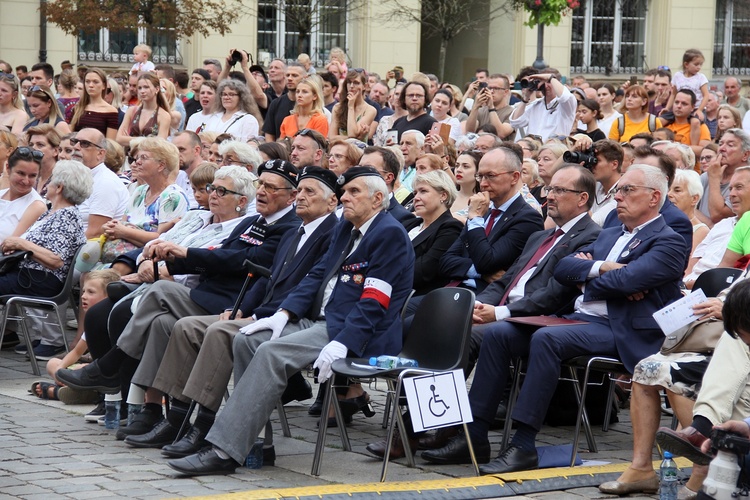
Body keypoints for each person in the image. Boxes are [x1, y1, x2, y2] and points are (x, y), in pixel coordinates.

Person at [426, 164, 687, 473]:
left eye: (627, 190)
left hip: (621, 330)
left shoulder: (669, 241)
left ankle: (523, 444)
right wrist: (602, 269)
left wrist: (590, 274)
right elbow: (564, 269)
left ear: (654, 197)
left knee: (546, 338)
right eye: (618, 190)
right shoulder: (612, 232)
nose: (618, 197)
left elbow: (627, 282)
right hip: (578, 318)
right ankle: (475, 435)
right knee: (500, 333)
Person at [165, 166, 414, 475]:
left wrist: (342, 343)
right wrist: (282, 314)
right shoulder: (346, 228)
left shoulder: (389, 233)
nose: (344, 198)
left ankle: (224, 451)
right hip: (319, 320)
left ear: (378, 199)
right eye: (344, 192)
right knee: (246, 339)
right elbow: (316, 276)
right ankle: (258, 443)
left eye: (353, 193)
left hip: (353, 332)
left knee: (270, 352)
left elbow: (375, 303)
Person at [55, 160, 303, 418]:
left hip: (228, 301)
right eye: (260, 184)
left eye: (270, 187)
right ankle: (150, 412)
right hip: (204, 291)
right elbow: (211, 254)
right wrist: (135, 263)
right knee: (151, 321)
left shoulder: (286, 226)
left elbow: (239, 262)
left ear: (290, 196)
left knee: (153, 295)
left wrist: (179, 260)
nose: (261, 191)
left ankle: (109, 369)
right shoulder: (251, 223)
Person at [121, 166, 339, 454]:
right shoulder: (295, 230)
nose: (301, 197)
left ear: (333, 201)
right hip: (252, 307)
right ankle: (176, 419)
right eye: (300, 191)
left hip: (293, 317)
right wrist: (244, 309)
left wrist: (259, 313)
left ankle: (203, 424)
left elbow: (306, 287)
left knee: (219, 331)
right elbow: (267, 278)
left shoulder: (330, 233)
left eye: (308, 192)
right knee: (184, 327)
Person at [414, 165, 601, 460]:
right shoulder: (540, 237)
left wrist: (500, 312)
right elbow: (503, 281)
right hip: (505, 311)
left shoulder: (592, 238)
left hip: (538, 320)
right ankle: (428, 423)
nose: (549, 196)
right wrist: (477, 306)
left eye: (559, 190)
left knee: (467, 336)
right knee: (446, 324)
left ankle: (443, 429)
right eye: (550, 189)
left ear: (582, 199)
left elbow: (555, 296)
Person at [3, 160, 92, 360]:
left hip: (40, 279)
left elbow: (56, 260)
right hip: (30, 276)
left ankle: (50, 343)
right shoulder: (53, 212)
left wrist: (21, 243)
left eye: (51, 181)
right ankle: (41, 340)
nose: (47, 184)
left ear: (59, 187)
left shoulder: (65, 216)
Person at [438, 146, 544, 294]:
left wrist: (475, 218)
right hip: (453, 289)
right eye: (480, 176)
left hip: (485, 300)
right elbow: (445, 262)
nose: (483, 184)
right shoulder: (484, 210)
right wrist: (480, 272)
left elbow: (486, 261)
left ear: (514, 177)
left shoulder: (527, 218)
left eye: (490, 176)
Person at [31, 268, 120, 402]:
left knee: (81, 368)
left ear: (108, 297)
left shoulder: (112, 319)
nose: (83, 296)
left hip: (107, 370)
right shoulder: (92, 320)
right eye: (83, 291)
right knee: (53, 363)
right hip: (92, 366)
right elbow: (77, 352)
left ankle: (61, 392)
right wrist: (60, 372)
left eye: (91, 292)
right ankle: (72, 387)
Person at [100, 138, 188, 253]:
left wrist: (124, 232)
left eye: (144, 158)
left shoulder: (173, 196)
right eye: (137, 158)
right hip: (122, 252)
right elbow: (123, 223)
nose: (137, 162)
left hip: (147, 259)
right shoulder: (140, 191)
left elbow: (162, 240)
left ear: (161, 165)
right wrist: (112, 227)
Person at [408, 170, 462, 296]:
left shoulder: (450, 228)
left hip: (416, 296)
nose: (416, 198)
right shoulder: (410, 223)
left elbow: (424, 271)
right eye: (415, 193)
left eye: (423, 191)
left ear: (443, 195)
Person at [70, 128, 130, 238]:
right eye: (74, 142)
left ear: (100, 153)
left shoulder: (106, 183)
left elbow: (95, 232)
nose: (76, 147)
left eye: (84, 144)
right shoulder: (75, 176)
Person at [699, 128, 750, 224]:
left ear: (745, 155)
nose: (722, 149)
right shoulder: (706, 176)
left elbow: (717, 216)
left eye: (730, 145)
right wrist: (708, 226)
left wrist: (714, 179)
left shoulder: (747, 181)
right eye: (721, 143)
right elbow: (685, 205)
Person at [510, 72, 577, 142]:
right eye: (542, 83)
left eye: (549, 82)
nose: (546, 86)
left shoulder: (566, 105)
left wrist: (550, 78)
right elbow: (515, 122)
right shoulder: (536, 105)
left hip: (555, 150)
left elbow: (564, 96)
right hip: (533, 149)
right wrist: (525, 98)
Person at [0, 147, 47, 243]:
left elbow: (9, 245)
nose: (26, 181)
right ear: (8, 168)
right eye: (21, 173)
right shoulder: (1, 194)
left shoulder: (36, 206)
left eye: (32, 175)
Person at [116, 73, 171, 147]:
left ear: (157, 89)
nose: (142, 91)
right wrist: (149, 140)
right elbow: (119, 138)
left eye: (146, 87)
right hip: (131, 156)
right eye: (139, 88)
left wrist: (131, 140)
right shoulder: (132, 111)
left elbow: (160, 144)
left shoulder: (163, 115)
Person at [69, 68, 119, 139]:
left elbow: (110, 143)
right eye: (87, 81)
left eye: (95, 82)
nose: (91, 85)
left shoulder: (111, 111)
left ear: (104, 85)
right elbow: (70, 135)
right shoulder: (78, 107)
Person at [669, 168, 709, 255]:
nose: (669, 194)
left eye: (677, 190)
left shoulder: (701, 231)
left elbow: (689, 267)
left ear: (694, 198)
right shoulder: (660, 221)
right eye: (668, 189)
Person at [330, 70, 376, 142]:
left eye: (356, 83)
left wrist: (351, 107)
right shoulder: (337, 107)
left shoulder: (370, 110)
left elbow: (352, 133)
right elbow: (331, 137)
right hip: (339, 148)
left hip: (358, 150)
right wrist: (354, 138)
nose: (351, 86)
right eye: (349, 82)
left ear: (365, 86)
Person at [668, 48, 710, 120]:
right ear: (686, 64)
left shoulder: (701, 78)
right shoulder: (678, 76)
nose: (699, 67)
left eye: (700, 64)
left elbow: (706, 95)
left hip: (696, 108)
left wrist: (699, 110)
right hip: (680, 108)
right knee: (662, 120)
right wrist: (667, 108)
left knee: (695, 121)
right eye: (696, 64)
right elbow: (673, 94)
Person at [24, 124, 61, 198]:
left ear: (55, 151)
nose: (33, 148)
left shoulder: (61, 179)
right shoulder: (29, 176)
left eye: (40, 145)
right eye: (31, 145)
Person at [451, 150, 481, 222]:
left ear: (478, 171)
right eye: (457, 166)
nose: (459, 170)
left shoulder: (482, 202)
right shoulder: (446, 196)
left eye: (466, 166)